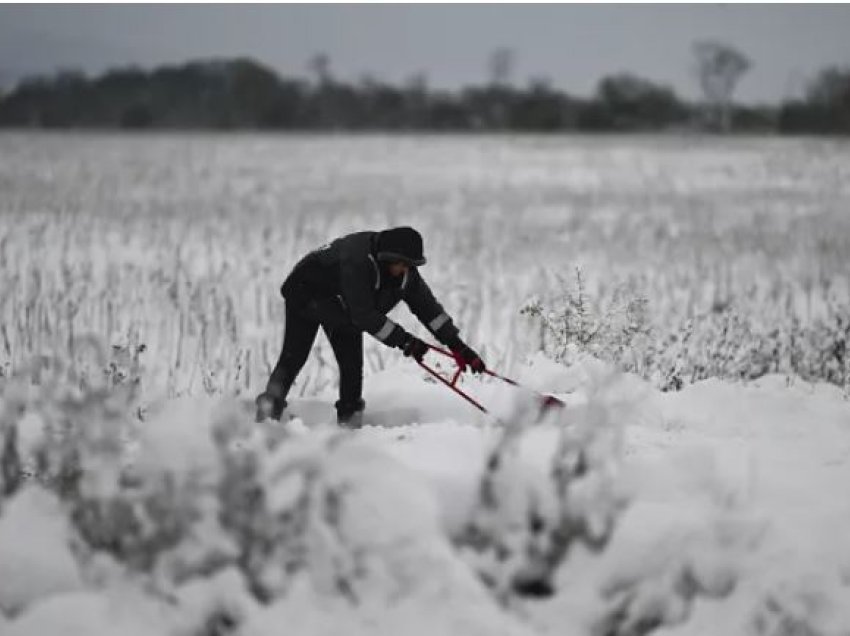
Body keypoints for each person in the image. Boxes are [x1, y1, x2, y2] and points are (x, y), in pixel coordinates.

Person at [255, 226, 486, 427]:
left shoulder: (407, 275)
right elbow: (364, 315)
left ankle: (350, 424)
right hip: (305, 291)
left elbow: (430, 311)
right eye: (402, 264)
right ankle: (266, 416)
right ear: (387, 258)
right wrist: (405, 341)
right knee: (294, 357)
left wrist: (458, 347)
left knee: (352, 366)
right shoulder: (357, 262)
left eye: (410, 265)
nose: (406, 270)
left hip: (342, 304)